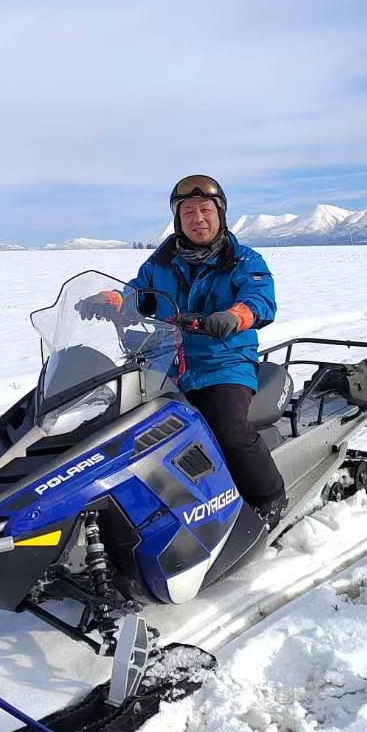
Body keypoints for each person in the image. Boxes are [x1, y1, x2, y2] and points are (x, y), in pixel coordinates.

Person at [79, 174, 287, 526]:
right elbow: (139, 293)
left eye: (205, 209)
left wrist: (236, 316)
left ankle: (270, 502)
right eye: (188, 211)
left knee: (228, 428)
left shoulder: (243, 260)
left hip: (223, 362)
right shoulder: (160, 262)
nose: (197, 218)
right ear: (177, 218)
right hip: (165, 363)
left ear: (220, 214)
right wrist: (114, 300)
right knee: (122, 426)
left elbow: (260, 299)